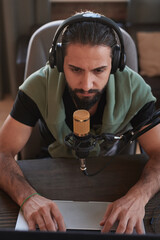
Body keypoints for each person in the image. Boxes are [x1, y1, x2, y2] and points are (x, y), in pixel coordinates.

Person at [0, 10, 160, 234]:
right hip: (52, 171)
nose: (87, 84)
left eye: (99, 70)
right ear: (57, 61)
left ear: (115, 64)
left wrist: (139, 196)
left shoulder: (134, 88)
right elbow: (1, 152)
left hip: (113, 175)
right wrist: (27, 198)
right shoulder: (38, 85)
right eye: (75, 69)